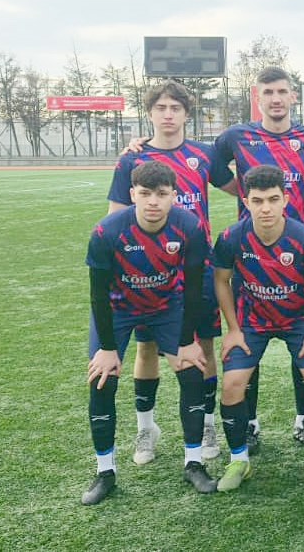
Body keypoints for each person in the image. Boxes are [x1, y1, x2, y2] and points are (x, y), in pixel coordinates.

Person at [107, 80, 236, 465]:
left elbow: (241, 187)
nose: (168, 115)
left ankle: (207, 424)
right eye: (161, 108)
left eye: (175, 108)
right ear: (149, 113)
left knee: (204, 344)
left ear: (186, 113)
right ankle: (146, 428)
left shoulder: (202, 154)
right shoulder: (132, 160)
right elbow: (115, 218)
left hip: (198, 268)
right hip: (149, 272)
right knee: (147, 348)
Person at [82, 162, 216, 505]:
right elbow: (98, 295)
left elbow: (194, 289)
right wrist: (107, 349)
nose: (153, 201)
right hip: (118, 309)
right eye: (145, 194)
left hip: (167, 307)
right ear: (132, 195)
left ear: (174, 196)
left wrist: (186, 342)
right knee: (102, 379)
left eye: (161, 194)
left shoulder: (189, 227)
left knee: (192, 372)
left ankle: (194, 463)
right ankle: (105, 472)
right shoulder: (107, 232)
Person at [214, 66, 304, 450]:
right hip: (251, 254)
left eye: (282, 91)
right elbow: (210, 165)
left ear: (293, 96)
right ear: (257, 97)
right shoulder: (237, 136)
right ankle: (249, 423)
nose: (276, 99)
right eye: (268, 92)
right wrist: (244, 195)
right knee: (248, 341)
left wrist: (299, 205)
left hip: (297, 252)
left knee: (303, 338)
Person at [213, 166, 304, 492]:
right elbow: (221, 280)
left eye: (272, 199)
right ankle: (238, 460)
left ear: (285, 200)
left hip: (298, 320)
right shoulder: (231, 238)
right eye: (257, 201)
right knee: (232, 384)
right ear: (246, 202)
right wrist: (233, 329)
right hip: (252, 321)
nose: (265, 208)